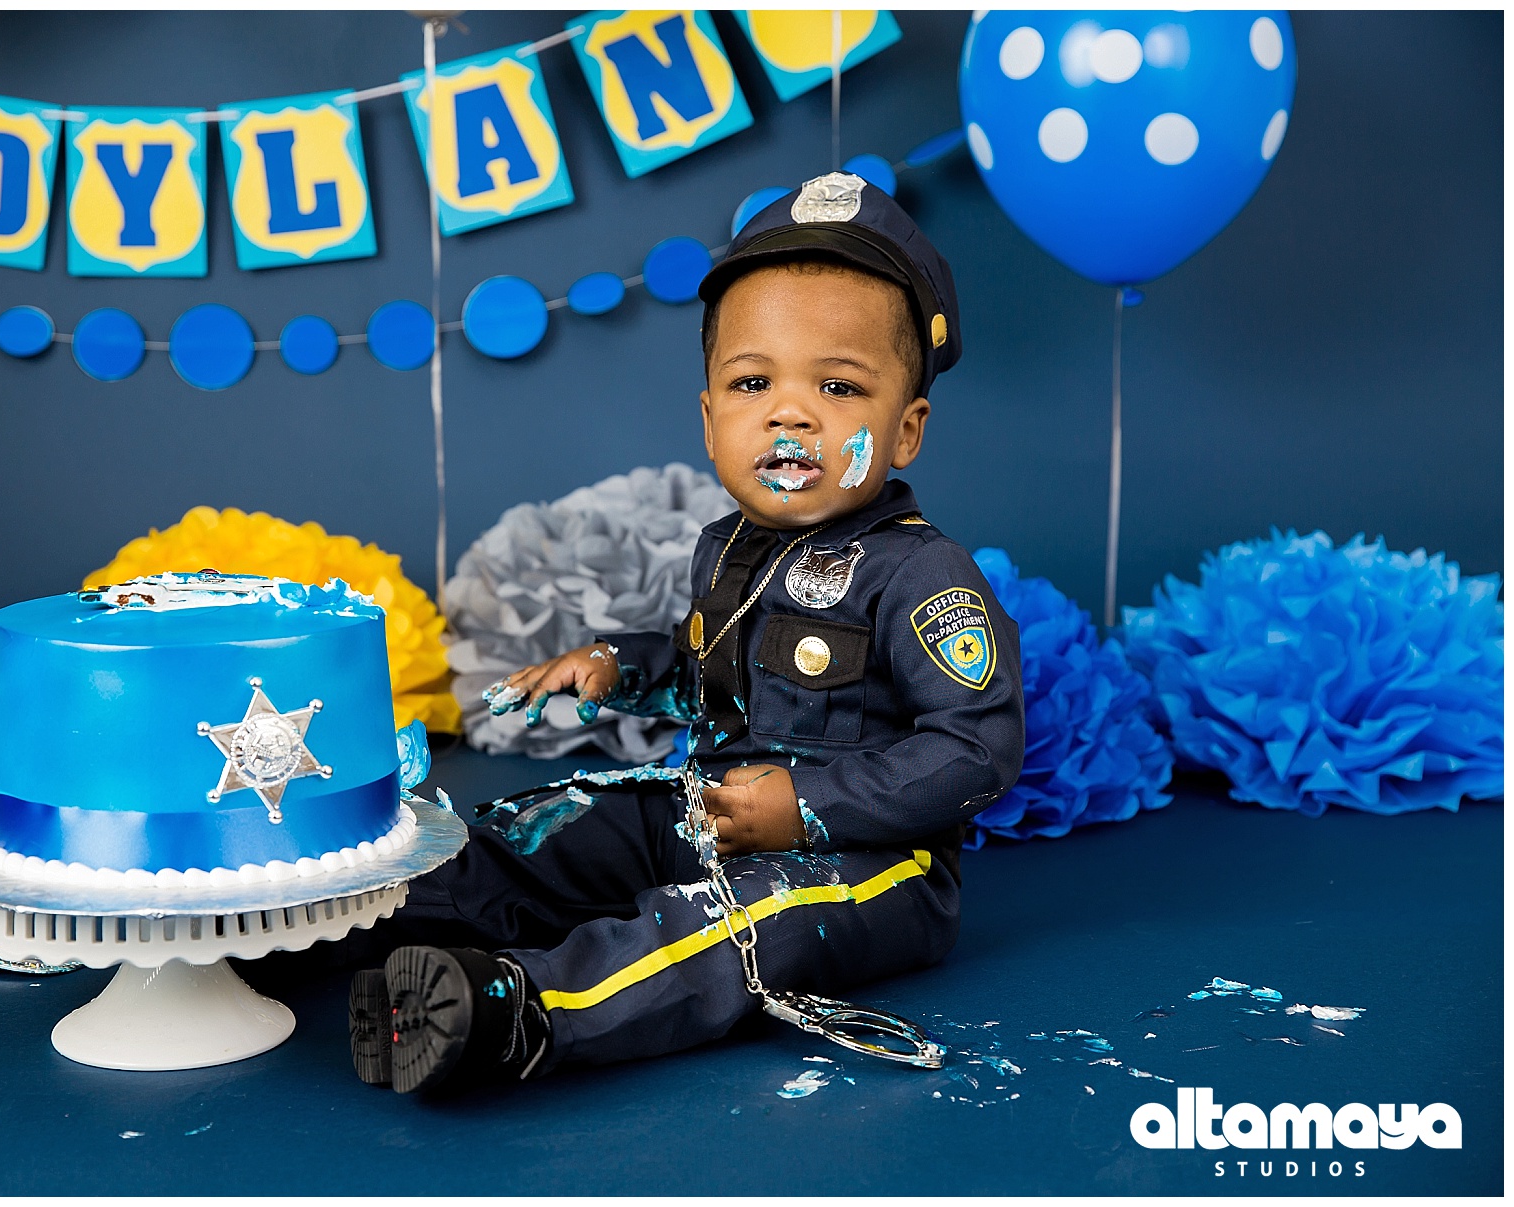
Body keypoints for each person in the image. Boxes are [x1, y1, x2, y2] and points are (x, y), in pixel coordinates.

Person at [346, 172, 1025, 1093]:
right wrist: (615, 666)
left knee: (731, 927)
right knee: (553, 827)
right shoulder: (727, 547)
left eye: (837, 385)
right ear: (710, 420)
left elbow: (977, 747)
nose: (790, 412)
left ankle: (519, 1007)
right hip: (712, 812)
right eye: (753, 382)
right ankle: (357, 920)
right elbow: (706, 670)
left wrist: (807, 804)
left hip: (866, 865)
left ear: (904, 431)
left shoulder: (923, 575)